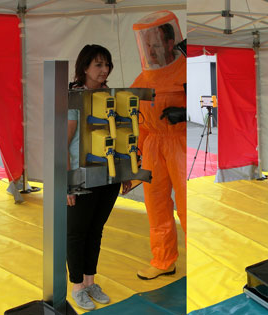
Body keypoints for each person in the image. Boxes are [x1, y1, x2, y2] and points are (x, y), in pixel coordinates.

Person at [67, 44, 132, 310]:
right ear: (84, 68)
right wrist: (67, 182)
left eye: (107, 65)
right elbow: (63, 141)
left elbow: (121, 135)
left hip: (110, 175)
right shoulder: (74, 97)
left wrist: (125, 171)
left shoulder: (111, 96)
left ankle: (90, 281)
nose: (104, 70)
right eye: (98, 65)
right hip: (82, 176)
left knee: (96, 231)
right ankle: (77, 287)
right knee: (77, 233)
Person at [131, 10, 186, 280]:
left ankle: (201, 258)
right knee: (156, 204)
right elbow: (137, 123)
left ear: (169, 42)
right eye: (146, 44)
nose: (150, 50)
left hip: (181, 142)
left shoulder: (188, 69)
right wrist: (135, 157)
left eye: (155, 44)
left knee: (188, 205)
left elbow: (212, 105)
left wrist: (186, 114)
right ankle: (164, 260)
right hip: (153, 145)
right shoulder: (142, 80)